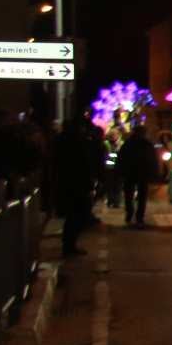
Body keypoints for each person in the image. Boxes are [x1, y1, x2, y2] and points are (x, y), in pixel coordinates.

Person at [51, 110, 103, 257]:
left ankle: (69, 245)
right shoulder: (76, 142)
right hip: (75, 184)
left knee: (74, 216)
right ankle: (69, 246)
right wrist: (90, 181)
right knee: (76, 215)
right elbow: (83, 164)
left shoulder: (63, 140)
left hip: (69, 183)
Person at [118, 123, 159, 228]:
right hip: (142, 173)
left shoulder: (128, 144)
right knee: (141, 196)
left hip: (130, 173)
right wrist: (154, 174)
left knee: (129, 195)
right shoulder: (147, 145)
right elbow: (152, 160)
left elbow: (121, 159)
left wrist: (120, 172)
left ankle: (130, 214)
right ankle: (139, 217)